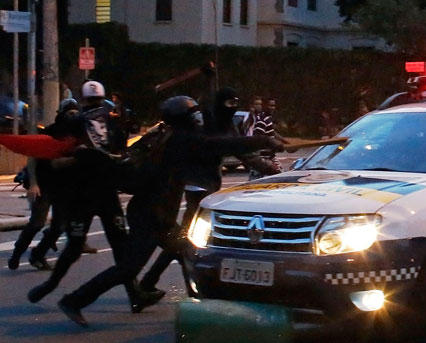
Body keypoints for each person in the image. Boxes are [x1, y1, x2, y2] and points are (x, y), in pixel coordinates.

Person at [57, 95, 283, 327]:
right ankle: (74, 300)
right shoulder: (181, 140)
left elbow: (218, 142)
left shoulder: (167, 136)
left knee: (187, 251)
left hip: (159, 213)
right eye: (193, 113)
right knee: (128, 268)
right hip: (151, 214)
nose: (197, 118)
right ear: (184, 118)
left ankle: (199, 304)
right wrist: (264, 141)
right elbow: (222, 145)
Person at [139, 88, 282, 295]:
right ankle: (185, 287)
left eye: (235, 104)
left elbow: (244, 153)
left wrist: (272, 168)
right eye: (228, 104)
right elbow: (226, 146)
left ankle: (153, 282)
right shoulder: (204, 123)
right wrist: (266, 151)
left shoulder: (228, 124)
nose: (231, 109)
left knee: (183, 239)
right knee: (185, 240)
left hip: (207, 185)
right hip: (195, 184)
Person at [26, 81, 154, 311]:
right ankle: (52, 284)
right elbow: (56, 161)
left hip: (91, 194)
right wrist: (81, 158)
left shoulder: (102, 122)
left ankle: (134, 294)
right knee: (107, 245)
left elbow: (118, 153)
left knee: (99, 245)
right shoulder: (90, 122)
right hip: (90, 193)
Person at [6, 100, 78, 271]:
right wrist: (34, 183)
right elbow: (33, 157)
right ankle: (17, 253)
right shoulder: (51, 132)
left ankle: (38, 255)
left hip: (63, 187)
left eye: (76, 113)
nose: (73, 116)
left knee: (60, 225)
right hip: (44, 184)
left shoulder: (78, 135)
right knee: (37, 223)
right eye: (70, 113)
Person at [247, 97, 286, 180]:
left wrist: (284, 141)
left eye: (273, 105)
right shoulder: (261, 120)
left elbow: (271, 134)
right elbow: (258, 139)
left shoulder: (266, 120)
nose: (272, 108)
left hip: (269, 158)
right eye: (270, 105)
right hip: (264, 159)